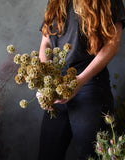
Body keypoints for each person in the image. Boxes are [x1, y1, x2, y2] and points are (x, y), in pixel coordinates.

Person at [37, 0, 125, 159]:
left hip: (90, 84)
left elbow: (113, 44)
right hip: (57, 84)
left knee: (90, 155)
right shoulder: (56, 2)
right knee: (47, 155)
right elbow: (46, 43)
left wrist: (80, 80)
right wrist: (47, 82)